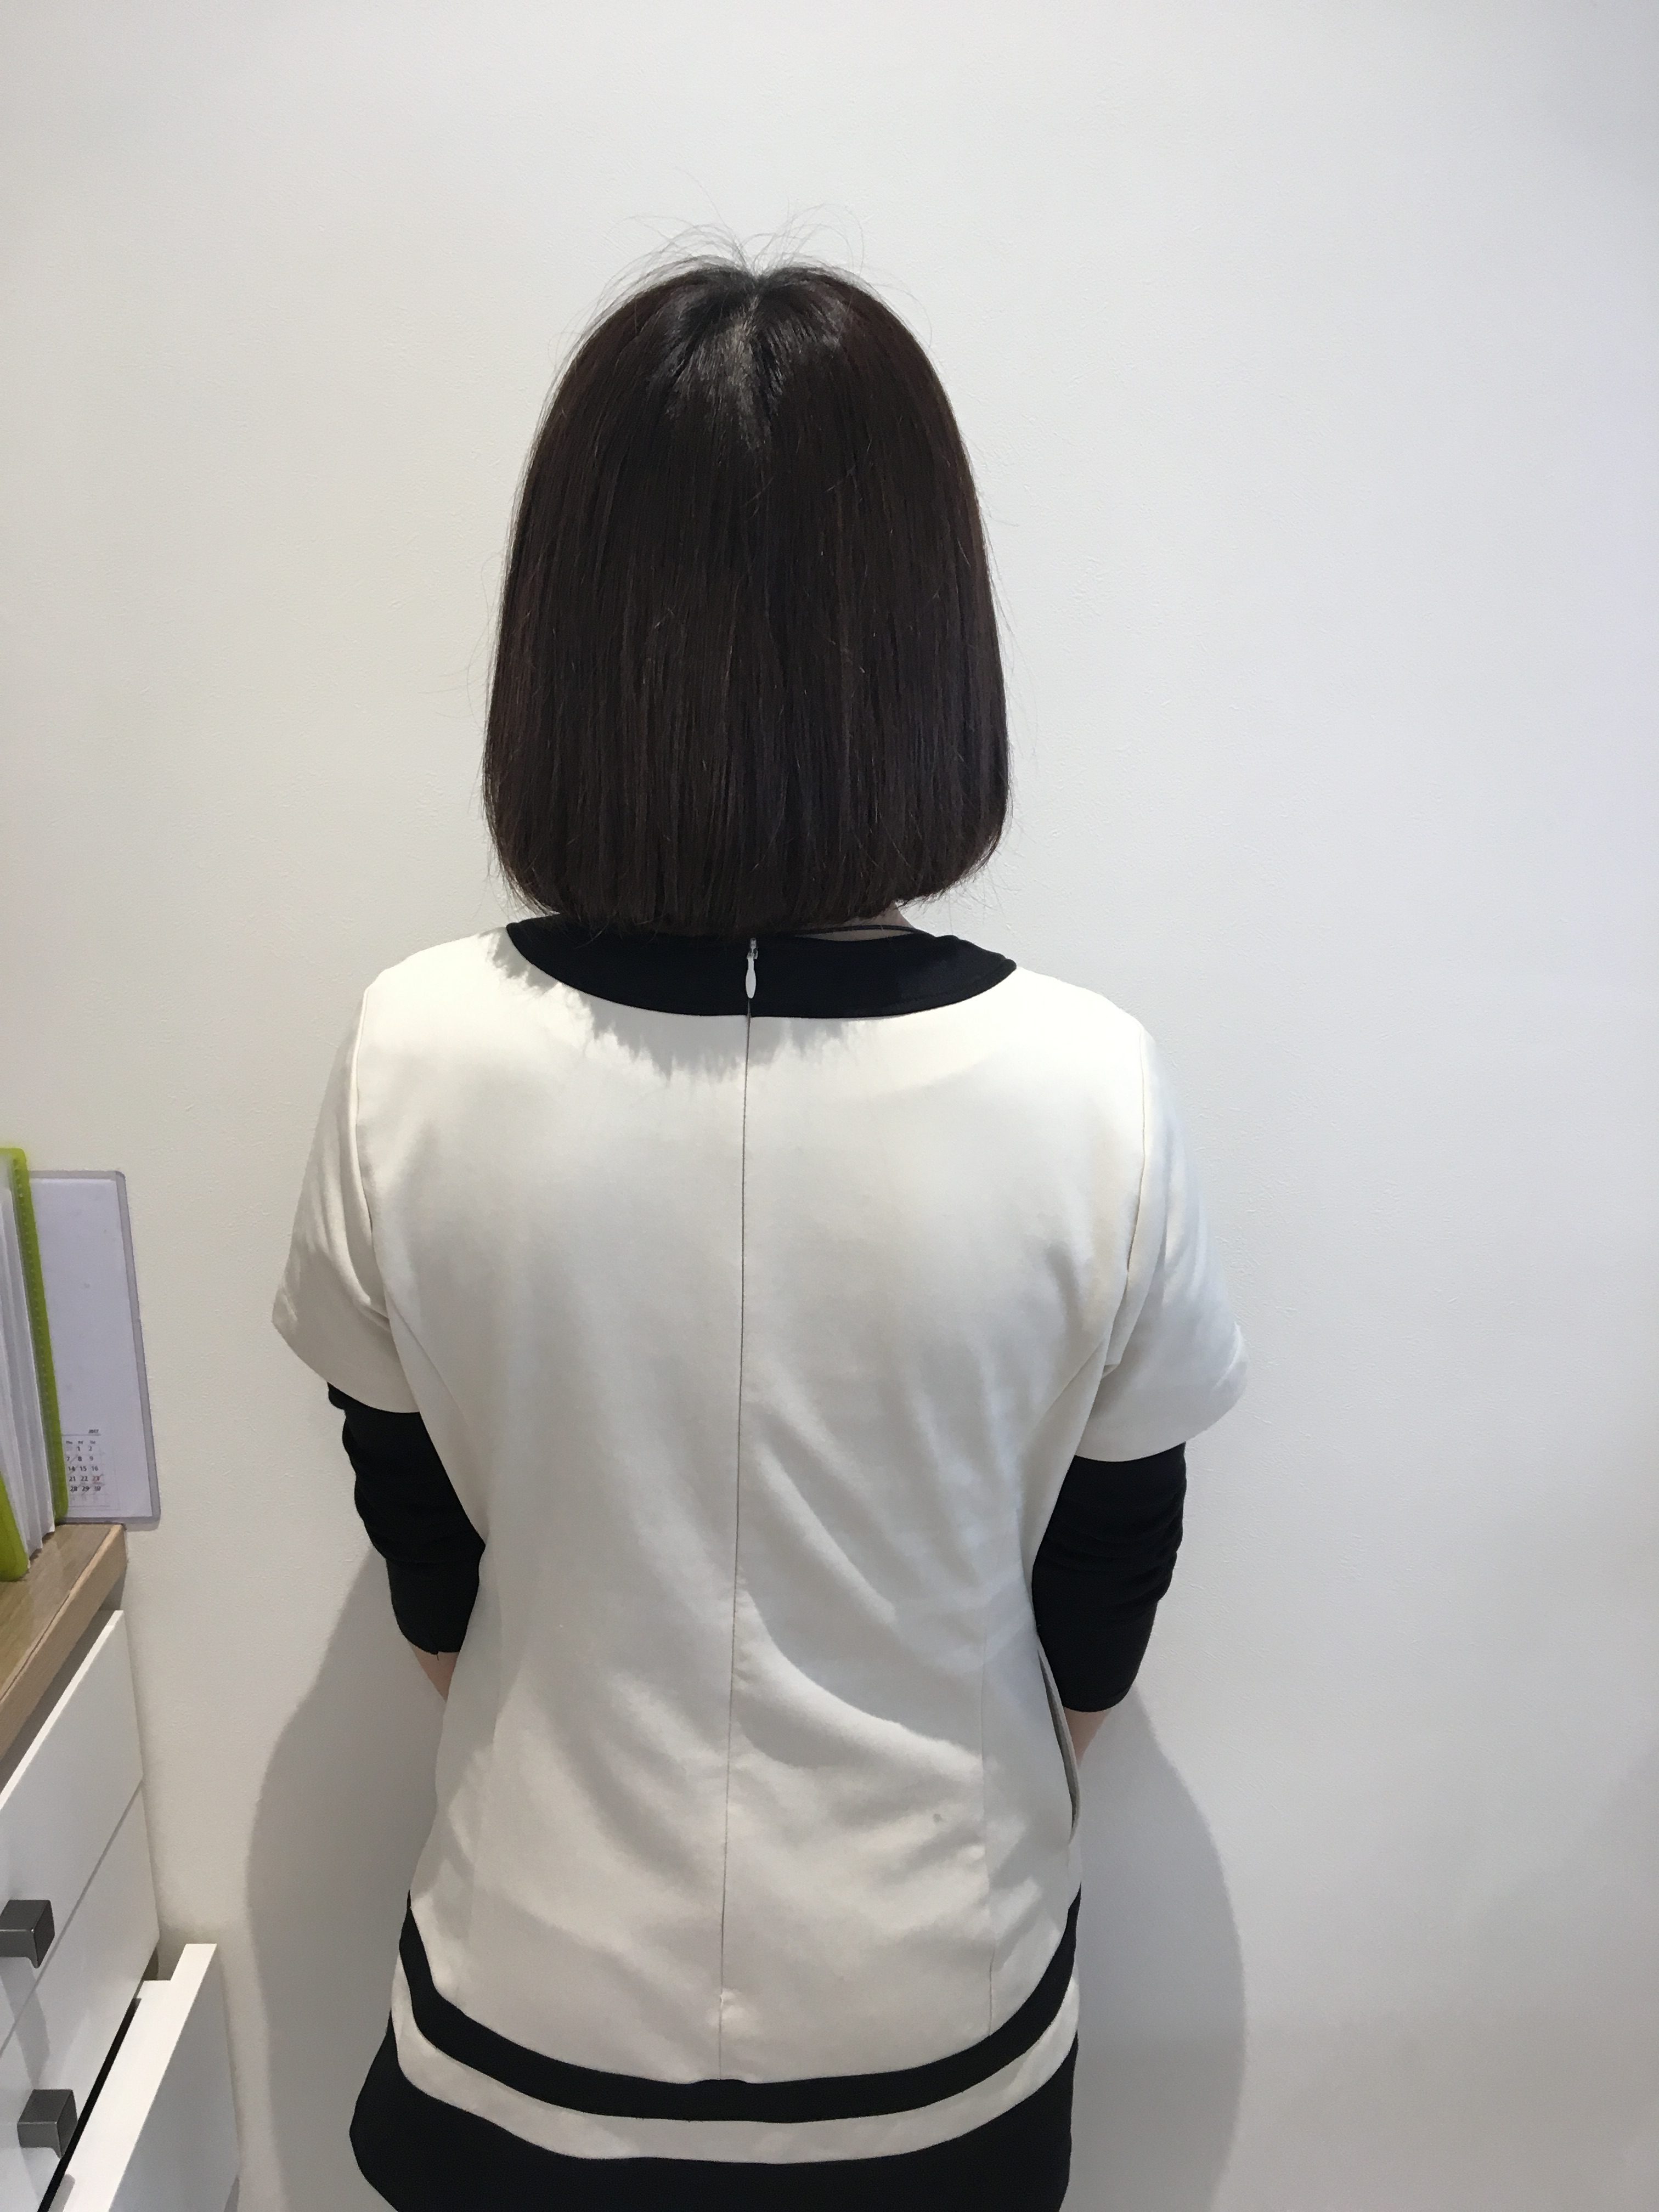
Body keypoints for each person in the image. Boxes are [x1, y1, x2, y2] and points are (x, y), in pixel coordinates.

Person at [272, 255, 1247, 2211]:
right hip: (938, 2031)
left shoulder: (410, 1055)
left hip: (525, 2020)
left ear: (565, 644)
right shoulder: (1091, 1088)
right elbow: (1104, 1597)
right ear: (932, 648)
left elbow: (426, 1559)